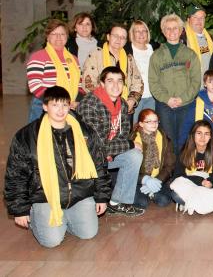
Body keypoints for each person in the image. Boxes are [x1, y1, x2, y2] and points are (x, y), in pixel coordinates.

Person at [5, 86, 110, 248]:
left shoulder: (85, 131)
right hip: (45, 197)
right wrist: (20, 209)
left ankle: (64, 218)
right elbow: (16, 175)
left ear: (70, 106)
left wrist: (102, 196)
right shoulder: (26, 136)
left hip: (78, 194)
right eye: (55, 105)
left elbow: (99, 164)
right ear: (45, 107)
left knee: (88, 233)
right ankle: (39, 216)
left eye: (64, 105)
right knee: (52, 242)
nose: (60, 110)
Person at [77, 67, 144, 217]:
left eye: (119, 81)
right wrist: (130, 144)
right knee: (132, 147)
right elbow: (97, 146)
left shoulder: (123, 105)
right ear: (101, 84)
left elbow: (123, 135)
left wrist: (121, 147)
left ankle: (118, 202)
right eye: (110, 81)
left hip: (108, 154)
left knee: (134, 156)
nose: (116, 85)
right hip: (87, 159)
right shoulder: (89, 104)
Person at [149, 14, 201, 155]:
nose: (172, 31)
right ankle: (170, 174)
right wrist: (167, 99)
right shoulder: (156, 55)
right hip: (165, 106)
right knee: (168, 142)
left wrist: (182, 99)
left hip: (187, 105)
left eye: (175, 28)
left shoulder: (190, 54)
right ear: (163, 32)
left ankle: (182, 173)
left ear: (181, 30)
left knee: (185, 141)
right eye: (168, 29)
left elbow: (196, 81)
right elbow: (153, 82)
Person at [171, 120, 213, 215]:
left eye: (206, 134)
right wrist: (200, 181)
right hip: (192, 186)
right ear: (193, 135)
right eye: (199, 133)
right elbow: (178, 176)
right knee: (175, 195)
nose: (202, 137)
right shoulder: (184, 151)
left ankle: (192, 204)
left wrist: (211, 181)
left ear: (210, 136)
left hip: (210, 187)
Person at [26, 19, 85, 122]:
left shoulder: (73, 59)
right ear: (48, 37)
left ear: (67, 37)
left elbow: (80, 85)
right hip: (43, 105)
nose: (59, 37)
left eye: (62, 34)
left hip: (69, 106)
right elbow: (35, 85)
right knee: (40, 137)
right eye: (54, 34)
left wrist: (77, 101)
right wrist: (56, 101)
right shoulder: (38, 56)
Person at [82, 24, 144, 115]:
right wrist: (109, 102)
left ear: (126, 41)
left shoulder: (129, 58)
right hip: (101, 108)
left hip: (125, 107)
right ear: (108, 36)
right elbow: (88, 83)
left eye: (123, 37)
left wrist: (131, 100)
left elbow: (138, 82)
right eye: (116, 36)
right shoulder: (96, 55)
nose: (119, 40)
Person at [130, 109, 175, 209]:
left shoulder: (164, 138)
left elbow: (170, 165)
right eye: (149, 121)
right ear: (141, 124)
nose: (153, 124)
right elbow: (128, 170)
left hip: (157, 178)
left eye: (155, 121)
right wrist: (144, 180)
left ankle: (152, 192)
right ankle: (145, 194)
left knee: (163, 200)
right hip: (138, 180)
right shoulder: (133, 139)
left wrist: (158, 180)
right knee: (141, 203)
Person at [181, 69, 213, 149]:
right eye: (210, 82)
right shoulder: (197, 103)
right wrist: (183, 147)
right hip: (203, 145)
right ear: (205, 84)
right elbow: (187, 126)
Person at [127, 20, 157, 123]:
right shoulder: (127, 50)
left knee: (150, 127)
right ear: (132, 33)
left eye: (144, 31)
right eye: (137, 31)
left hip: (152, 96)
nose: (141, 34)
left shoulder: (152, 48)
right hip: (135, 98)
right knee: (135, 128)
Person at [180, 6, 213, 78]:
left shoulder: (210, 38)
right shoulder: (181, 37)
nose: (199, 20)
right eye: (195, 17)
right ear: (188, 19)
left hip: (208, 85)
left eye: (202, 18)